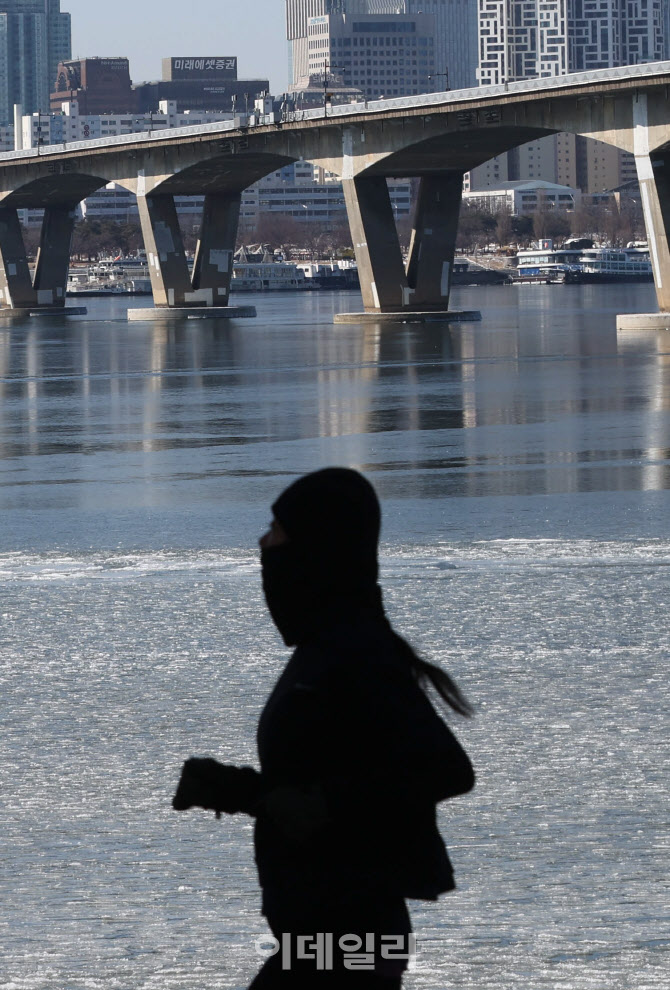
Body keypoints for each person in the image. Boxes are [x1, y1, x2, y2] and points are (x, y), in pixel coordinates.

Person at [172, 467, 475, 987]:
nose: (263, 542)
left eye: (278, 528)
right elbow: (329, 773)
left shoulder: (356, 650)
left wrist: (323, 803)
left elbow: (445, 769)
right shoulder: (326, 650)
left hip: (351, 938)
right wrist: (242, 790)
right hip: (323, 935)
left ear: (314, 545)